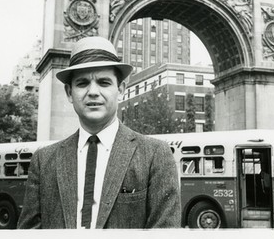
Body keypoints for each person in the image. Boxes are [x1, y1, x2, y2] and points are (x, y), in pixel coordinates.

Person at [17, 36, 181, 229]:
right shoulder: (43, 161)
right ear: (69, 93)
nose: (93, 92)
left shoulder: (155, 155)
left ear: (120, 89)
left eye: (104, 82)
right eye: (82, 83)